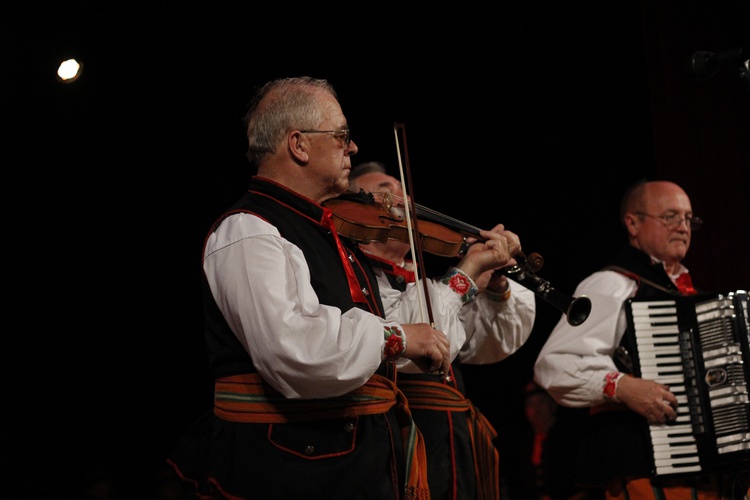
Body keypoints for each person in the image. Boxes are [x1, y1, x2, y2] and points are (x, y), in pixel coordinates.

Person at [166, 76, 513, 500]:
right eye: (342, 136)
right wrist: (400, 336)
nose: (352, 148)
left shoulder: (333, 236)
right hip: (291, 471)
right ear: (299, 144)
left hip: (347, 465)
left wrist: (463, 281)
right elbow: (295, 347)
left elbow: (405, 342)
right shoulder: (249, 230)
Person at [533, 179, 749, 499]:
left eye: (688, 219)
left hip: (713, 478)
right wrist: (621, 386)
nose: (682, 227)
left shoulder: (696, 299)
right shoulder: (611, 284)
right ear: (633, 223)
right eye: (670, 216)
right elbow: (555, 364)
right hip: (645, 469)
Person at [347, 161, 536, 500]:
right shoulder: (356, 278)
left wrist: (495, 285)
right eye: (384, 193)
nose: (401, 200)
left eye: (401, 190)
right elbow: (409, 335)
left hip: (455, 440)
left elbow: (484, 345)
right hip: (400, 436)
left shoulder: (428, 285)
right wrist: (466, 274)